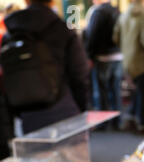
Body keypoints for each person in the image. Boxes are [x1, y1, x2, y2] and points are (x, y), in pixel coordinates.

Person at [2, 0, 89, 134]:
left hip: (27, 117)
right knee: (70, 154)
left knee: (35, 154)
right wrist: (81, 108)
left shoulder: (11, 35)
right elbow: (80, 75)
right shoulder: (62, 30)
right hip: (65, 111)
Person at [113, 0, 144, 131]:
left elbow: (115, 37)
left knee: (133, 92)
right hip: (142, 60)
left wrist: (126, 48)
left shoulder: (123, 15)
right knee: (142, 92)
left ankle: (131, 119)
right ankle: (141, 124)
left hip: (128, 59)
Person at [85, 0, 122, 122]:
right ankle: (117, 120)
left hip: (103, 57)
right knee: (115, 90)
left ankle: (104, 121)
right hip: (118, 56)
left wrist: (89, 55)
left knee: (102, 92)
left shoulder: (98, 13)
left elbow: (92, 35)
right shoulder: (117, 11)